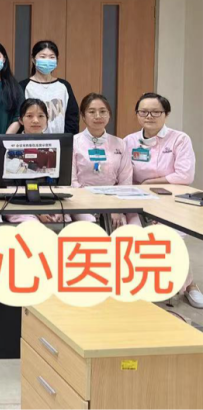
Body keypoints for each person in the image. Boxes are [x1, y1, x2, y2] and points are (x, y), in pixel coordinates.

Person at [123, 93, 201, 308]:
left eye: (156, 112)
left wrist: (150, 181)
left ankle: (188, 285)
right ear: (137, 114)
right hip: (139, 202)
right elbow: (125, 173)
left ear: (166, 114)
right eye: (144, 112)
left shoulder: (179, 139)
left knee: (171, 237)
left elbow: (185, 175)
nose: (149, 116)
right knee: (134, 235)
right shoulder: (129, 141)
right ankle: (143, 283)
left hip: (172, 202)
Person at [71, 93, 132, 226]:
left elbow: (125, 182)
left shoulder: (120, 143)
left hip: (112, 201)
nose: (98, 116)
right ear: (83, 116)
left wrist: (115, 207)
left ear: (109, 115)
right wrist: (91, 202)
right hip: (81, 201)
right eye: (92, 112)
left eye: (103, 111)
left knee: (121, 225)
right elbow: (72, 181)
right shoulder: (74, 143)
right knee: (92, 224)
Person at [19, 40, 78, 134]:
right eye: (43, 57)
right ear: (33, 59)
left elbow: (72, 117)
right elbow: (19, 116)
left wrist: (67, 138)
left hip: (60, 140)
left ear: (57, 61)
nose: (47, 60)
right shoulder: (23, 86)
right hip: (31, 140)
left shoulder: (64, 86)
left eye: (51, 57)